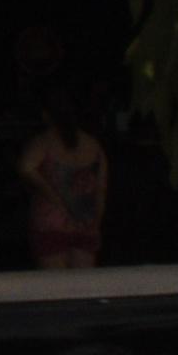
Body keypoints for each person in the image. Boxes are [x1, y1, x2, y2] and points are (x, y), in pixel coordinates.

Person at [18, 102, 110, 271]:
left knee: (56, 283)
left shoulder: (44, 142)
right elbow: (101, 189)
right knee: (83, 282)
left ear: (46, 116)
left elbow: (26, 166)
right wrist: (96, 221)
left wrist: (51, 195)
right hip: (85, 221)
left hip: (52, 221)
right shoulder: (93, 145)